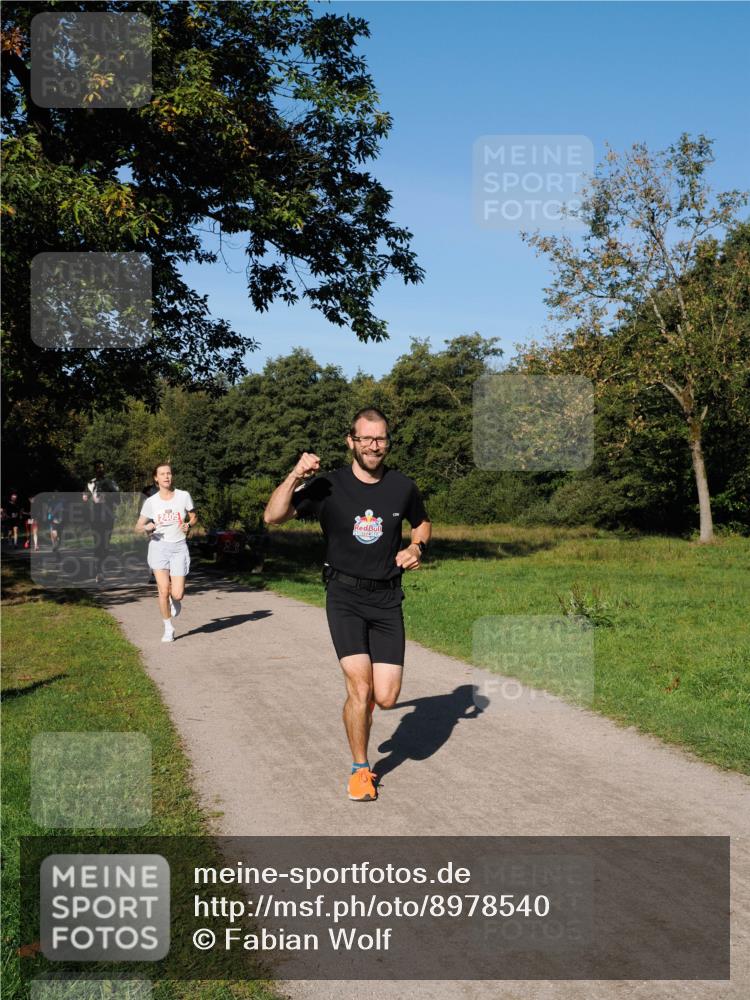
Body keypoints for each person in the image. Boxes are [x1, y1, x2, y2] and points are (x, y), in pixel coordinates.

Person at [264, 407, 431, 802]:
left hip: (388, 597)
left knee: (386, 697)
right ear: (351, 442)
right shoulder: (327, 486)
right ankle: (361, 769)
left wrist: (416, 546)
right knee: (359, 685)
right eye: (367, 438)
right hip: (344, 596)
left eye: (381, 438)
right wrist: (295, 476)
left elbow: (422, 522)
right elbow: (273, 516)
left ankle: (363, 712)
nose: (375, 446)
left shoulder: (402, 487)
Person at [135, 462, 197, 643]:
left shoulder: (183, 496)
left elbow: (193, 516)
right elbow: (138, 527)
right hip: (158, 547)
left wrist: (188, 524)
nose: (166, 477)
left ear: (172, 476)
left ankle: (175, 600)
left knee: (177, 593)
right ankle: (168, 628)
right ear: (156, 478)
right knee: (163, 590)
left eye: (168, 473)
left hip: (178, 547)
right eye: (162, 474)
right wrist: (148, 526)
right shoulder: (151, 502)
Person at [82, 459, 121, 583]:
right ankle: (99, 570)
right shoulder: (90, 483)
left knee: (106, 544)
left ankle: (100, 565)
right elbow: (84, 498)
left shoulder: (111, 483)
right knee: (98, 542)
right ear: (94, 469)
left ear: (104, 469)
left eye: (102, 467)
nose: (100, 469)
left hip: (108, 516)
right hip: (95, 517)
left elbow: (118, 501)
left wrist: (110, 495)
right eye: (97, 467)